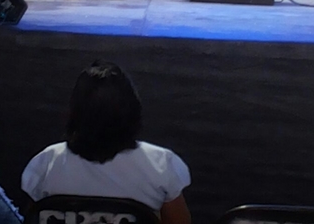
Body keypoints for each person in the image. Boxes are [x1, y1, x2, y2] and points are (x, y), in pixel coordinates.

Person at [21, 61, 191, 224]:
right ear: (132, 109)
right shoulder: (161, 165)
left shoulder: (46, 163)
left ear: (75, 110)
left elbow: (31, 218)